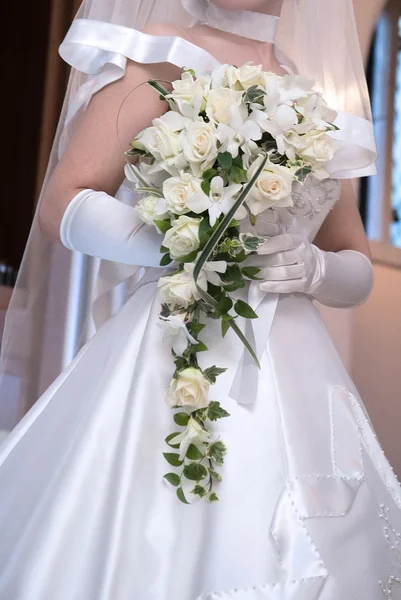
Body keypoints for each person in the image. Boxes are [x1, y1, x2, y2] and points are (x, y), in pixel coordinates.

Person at [0, 0, 400, 598]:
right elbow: (65, 201)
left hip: (296, 359)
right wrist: (179, 244)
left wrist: (315, 269)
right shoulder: (158, 55)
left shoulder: (315, 98)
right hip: (176, 343)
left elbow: (356, 264)